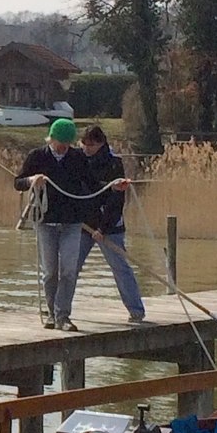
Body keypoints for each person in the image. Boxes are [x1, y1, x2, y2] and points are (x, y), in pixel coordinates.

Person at [13, 116, 100, 331]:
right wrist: (31, 181)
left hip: (72, 223)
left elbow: (92, 184)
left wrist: (114, 186)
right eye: (61, 144)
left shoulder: (78, 158)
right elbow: (17, 183)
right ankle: (51, 313)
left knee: (69, 270)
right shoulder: (37, 156)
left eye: (67, 144)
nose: (63, 148)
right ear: (51, 139)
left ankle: (64, 316)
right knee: (50, 271)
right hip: (46, 222)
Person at [74, 123, 147, 325]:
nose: (86, 148)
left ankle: (136, 310)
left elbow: (116, 202)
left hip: (109, 225)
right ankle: (58, 308)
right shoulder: (78, 159)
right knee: (70, 267)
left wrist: (102, 229)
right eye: (84, 144)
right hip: (84, 223)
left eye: (91, 145)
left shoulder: (114, 163)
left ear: (101, 143)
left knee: (120, 267)